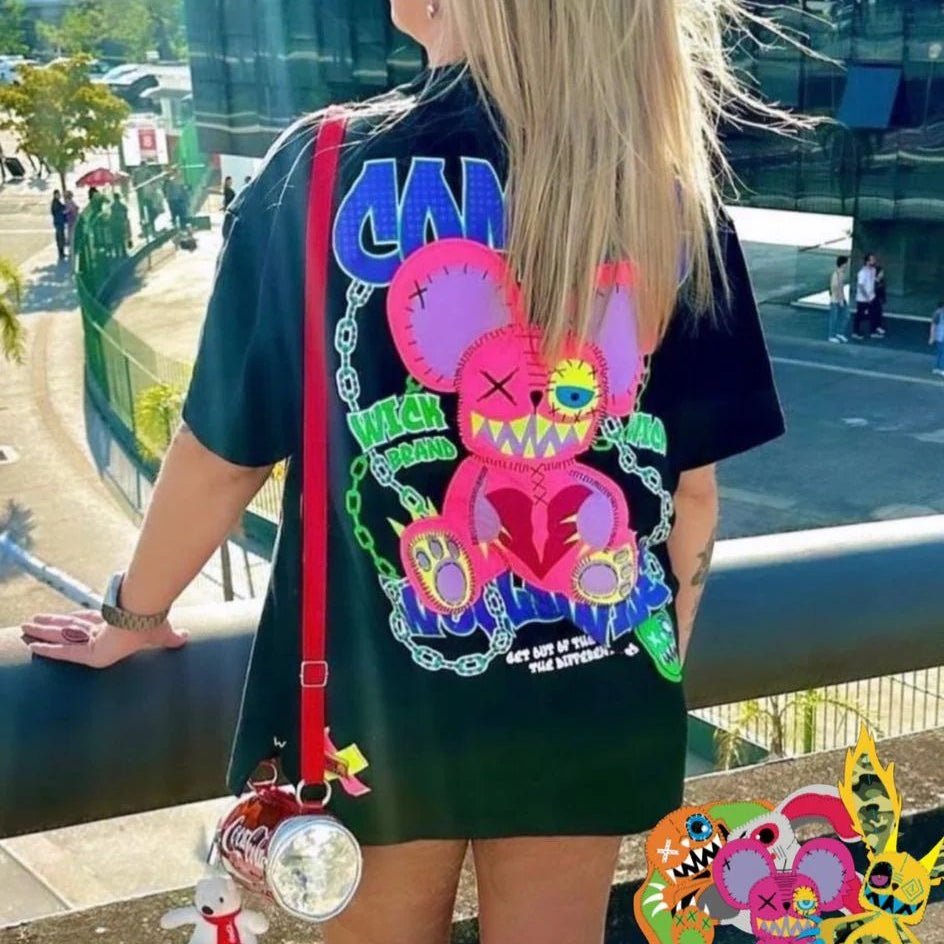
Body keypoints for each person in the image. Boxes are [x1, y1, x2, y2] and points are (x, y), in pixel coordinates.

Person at [21, 3, 787, 942]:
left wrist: (133, 617)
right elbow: (691, 493)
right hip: (589, 694)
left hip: (375, 712)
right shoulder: (660, 190)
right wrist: (644, 659)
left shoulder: (326, 167)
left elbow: (224, 454)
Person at [853, 252, 877, 339]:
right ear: (867, 261)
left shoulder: (873, 270)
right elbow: (861, 286)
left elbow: (872, 280)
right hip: (863, 299)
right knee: (859, 315)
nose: (874, 261)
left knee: (873, 314)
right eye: (872, 260)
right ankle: (856, 332)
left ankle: (873, 331)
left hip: (871, 296)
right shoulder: (862, 273)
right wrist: (867, 298)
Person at [827, 255, 850, 343]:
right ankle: (832, 335)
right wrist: (841, 300)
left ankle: (839, 333)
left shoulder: (839, 273)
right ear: (843, 264)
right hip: (836, 300)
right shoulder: (839, 274)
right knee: (835, 317)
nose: (847, 265)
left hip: (838, 298)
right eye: (846, 263)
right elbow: (838, 287)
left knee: (843, 316)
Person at [109, 192, 131, 258]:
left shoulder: (115, 206)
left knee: (119, 239)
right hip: (118, 225)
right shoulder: (118, 206)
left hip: (117, 225)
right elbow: (125, 215)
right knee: (118, 239)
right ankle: (121, 253)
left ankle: (121, 253)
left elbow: (125, 214)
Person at [50, 189, 68, 261]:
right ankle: (61, 253)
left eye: (59, 194)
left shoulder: (57, 202)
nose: (59, 195)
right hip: (58, 222)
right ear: (55, 195)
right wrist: (64, 211)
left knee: (61, 237)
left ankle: (62, 253)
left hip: (59, 222)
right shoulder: (55, 203)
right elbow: (58, 211)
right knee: (60, 238)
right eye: (58, 194)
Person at [870, 264, 887, 338]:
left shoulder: (882, 281)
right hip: (873, 300)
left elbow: (883, 291)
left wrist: (883, 299)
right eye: (881, 273)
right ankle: (873, 331)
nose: (882, 274)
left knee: (879, 313)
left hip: (879, 300)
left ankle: (878, 327)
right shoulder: (873, 282)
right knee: (874, 315)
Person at [930, 301, 944, 376]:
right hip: (941, 336)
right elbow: (933, 326)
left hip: (940, 336)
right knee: (941, 352)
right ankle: (941, 368)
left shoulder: (938, 313)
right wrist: (932, 337)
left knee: (939, 352)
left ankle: (937, 368)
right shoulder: (938, 314)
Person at [64, 190, 79, 254]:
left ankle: (71, 248)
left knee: (71, 234)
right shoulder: (70, 202)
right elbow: (73, 209)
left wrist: (65, 212)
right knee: (72, 234)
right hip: (72, 220)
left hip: (71, 220)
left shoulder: (69, 202)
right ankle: (72, 248)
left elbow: (70, 209)